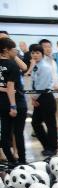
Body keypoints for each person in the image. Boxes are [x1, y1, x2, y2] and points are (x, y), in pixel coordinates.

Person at [0, 37, 27, 166]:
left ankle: (11, 160)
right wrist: (13, 106)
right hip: (16, 102)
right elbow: (11, 87)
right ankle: (22, 161)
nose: (15, 51)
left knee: (5, 132)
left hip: (1, 103)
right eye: (13, 49)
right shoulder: (12, 65)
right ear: (6, 50)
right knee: (18, 133)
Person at [28, 43, 58, 157]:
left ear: (42, 54)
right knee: (35, 123)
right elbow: (33, 82)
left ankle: (53, 147)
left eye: (37, 53)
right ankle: (47, 146)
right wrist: (33, 97)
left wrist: (33, 98)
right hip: (38, 97)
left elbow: (42, 85)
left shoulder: (45, 67)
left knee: (50, 124)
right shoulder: (36, 66)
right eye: (33, 53)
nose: (35, 55)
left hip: (46, 97)